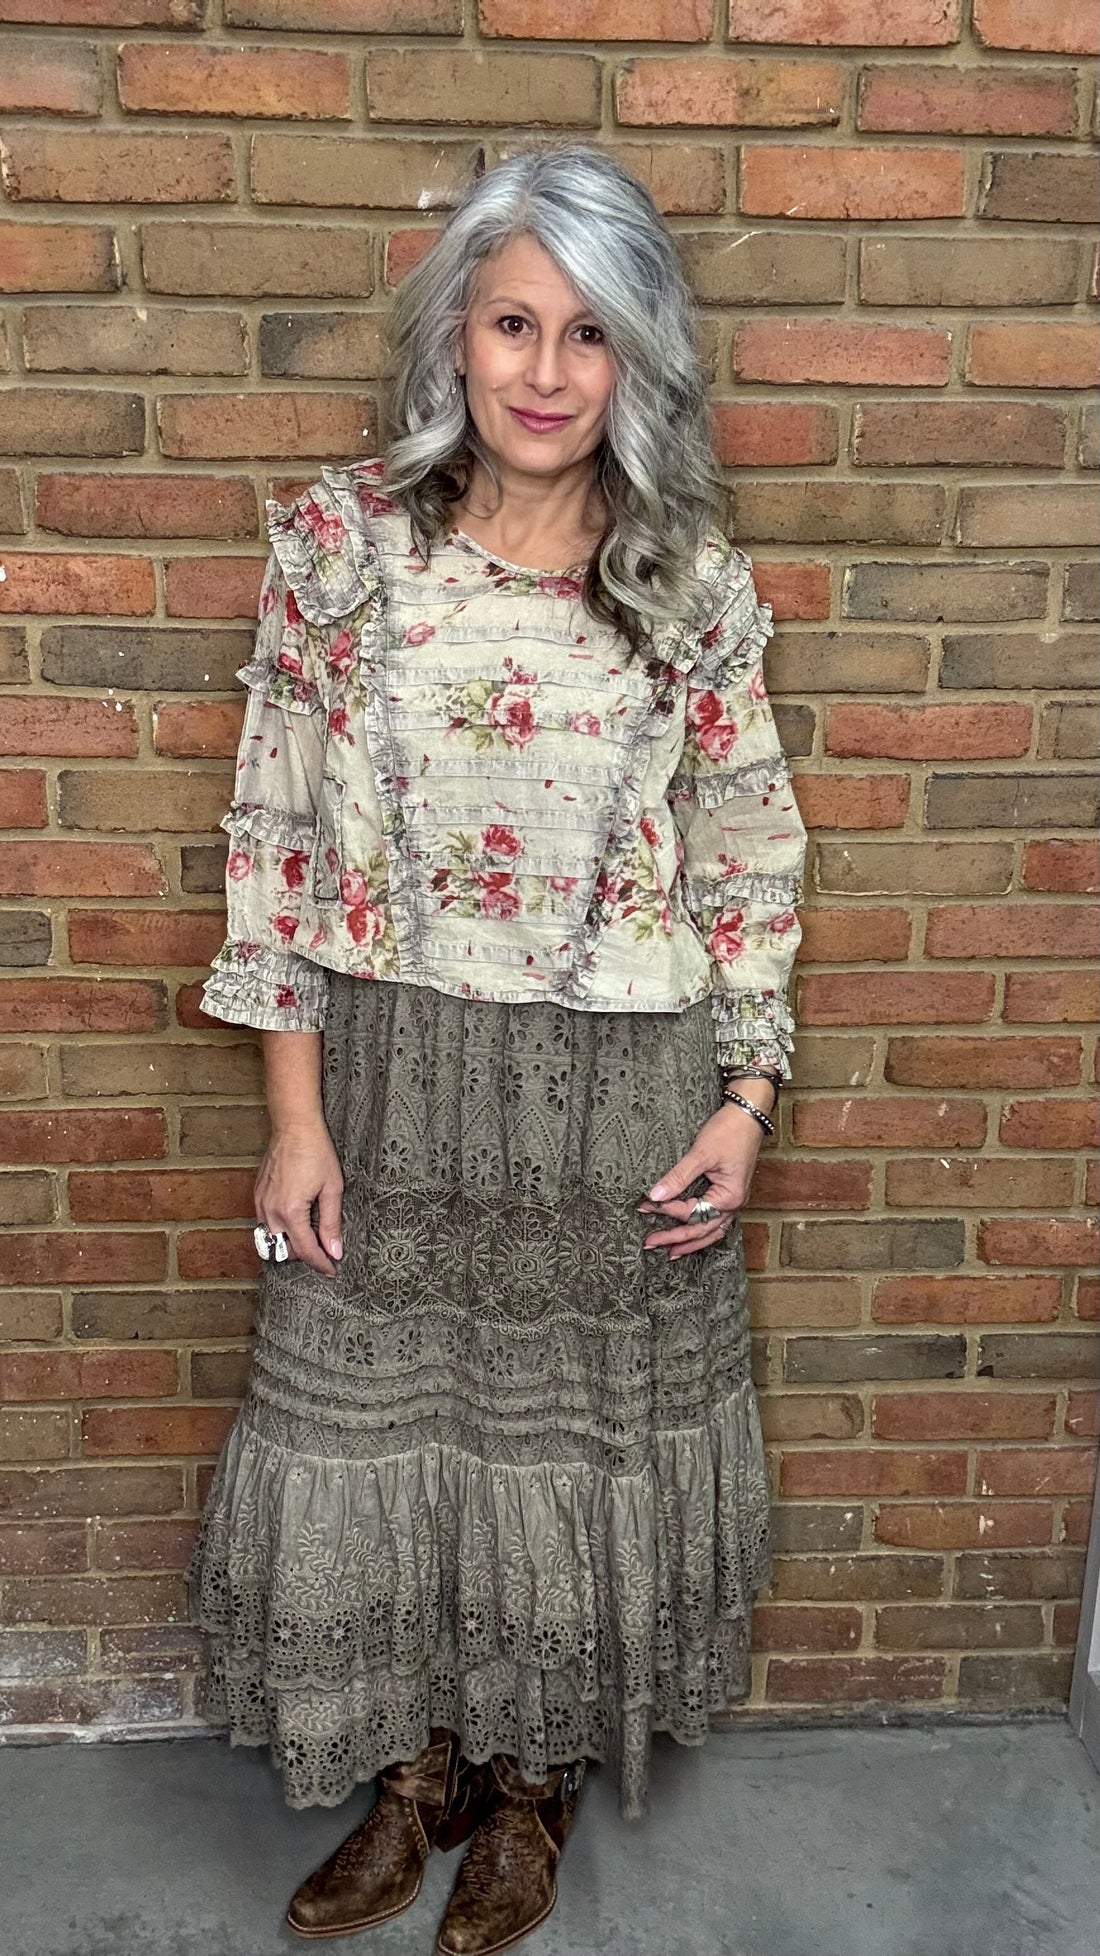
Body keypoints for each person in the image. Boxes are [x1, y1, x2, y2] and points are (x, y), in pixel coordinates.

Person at [187, 144, 806, 1955]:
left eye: (590, 334)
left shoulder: (686, 585)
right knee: (384, 1435)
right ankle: (414, 1774)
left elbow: (746, 853)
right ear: (455, 334)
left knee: (567, 1454)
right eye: (514, 322)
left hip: (617, 1090)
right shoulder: (340, 556)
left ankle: (528, 1791)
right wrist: (295, 1115)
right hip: (387, 1078)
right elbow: (276, 842)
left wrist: (747, 1097)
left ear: (639, 359)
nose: (545, 370)